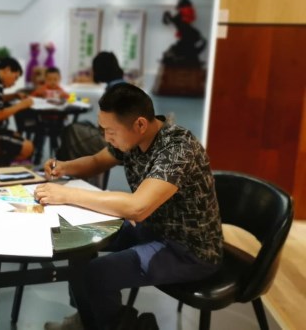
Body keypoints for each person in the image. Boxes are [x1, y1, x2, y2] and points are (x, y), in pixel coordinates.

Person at [36, 83, 223, 330]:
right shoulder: (133, 139)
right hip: (152, 228)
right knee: (78, 242)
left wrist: (67, 194)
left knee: (98, 273)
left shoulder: (178, 148)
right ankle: (88, 317)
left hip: (188, 250)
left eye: (110, 131)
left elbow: (137, 208)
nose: (106, 138)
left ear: (140, 124)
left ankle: (123, 325)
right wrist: (63, 167)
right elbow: (97, 161)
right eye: (103, 130)